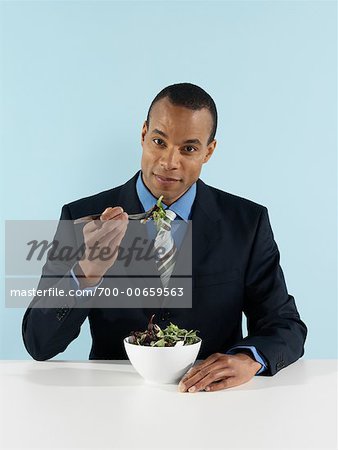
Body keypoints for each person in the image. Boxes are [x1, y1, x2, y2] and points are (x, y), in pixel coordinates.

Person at [22, 82, 307, 393]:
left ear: (208, 151)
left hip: (215, 402)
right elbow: (39, 342)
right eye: (159, 141)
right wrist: (85, 274)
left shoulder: (247, 222)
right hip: (114, 400)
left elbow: (285, 324)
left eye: (188, 148)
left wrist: (249, 359)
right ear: (143, 134)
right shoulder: (82, 217)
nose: (169, 161)